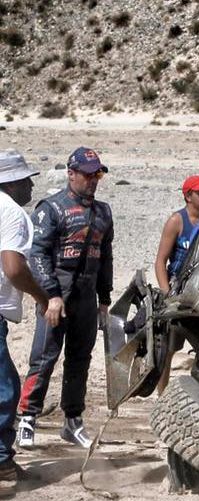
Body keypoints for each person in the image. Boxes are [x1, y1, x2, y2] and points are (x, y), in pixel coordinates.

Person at [17, 147, 114, 450]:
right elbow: (38, 254)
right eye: (88, 174)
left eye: (98, 174)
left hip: (86, 295)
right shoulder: (51, 208)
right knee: (44, 357)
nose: (93, 180)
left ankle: (73, 421)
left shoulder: (104, 212)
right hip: (57, 293)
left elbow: (106, 257)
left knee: (80, 358)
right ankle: (27, 418)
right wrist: (51, 295)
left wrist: (104, 299)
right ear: (71, 174)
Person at [0, 150, 51, 494]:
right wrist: (41, 296)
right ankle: (1, 463)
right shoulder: (12, 213)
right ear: (12, 183)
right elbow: (14, 268)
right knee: (5, 389)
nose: (31, 186)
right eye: (26, 180)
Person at [154, 175, 199, 294]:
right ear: (188, 197)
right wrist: (166, 294)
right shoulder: (176, 221)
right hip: (179, 283)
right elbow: (160, 261)